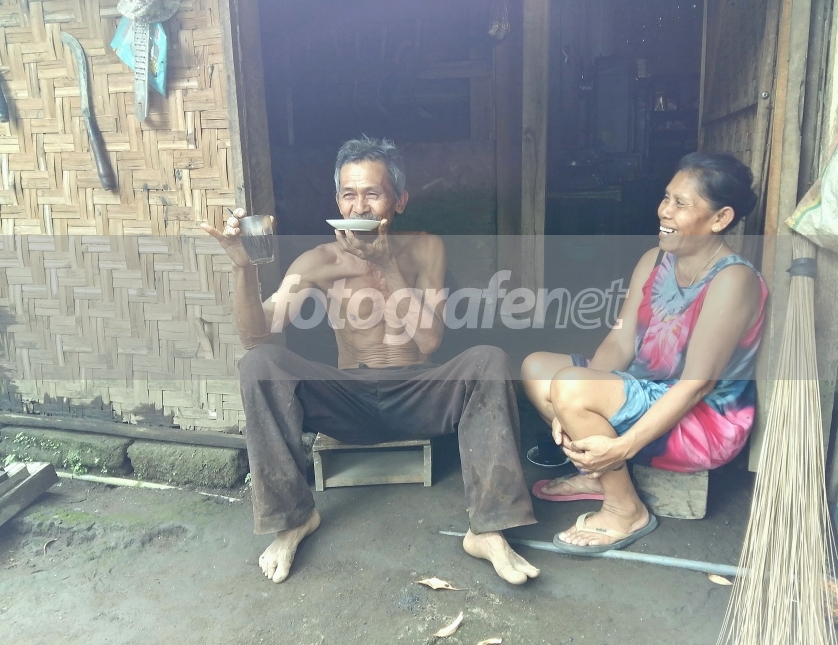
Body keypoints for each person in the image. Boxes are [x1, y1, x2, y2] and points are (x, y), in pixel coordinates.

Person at [201, 137, 539, 585]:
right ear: (336, 201)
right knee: (259, 365)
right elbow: (255, 336)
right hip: (348, 400)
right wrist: (242, 267)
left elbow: (430, 340)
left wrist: (387, 266)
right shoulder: (317, 262)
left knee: (489, 360)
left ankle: (488, 529)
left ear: (399, 201)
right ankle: (293, 520)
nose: (358, 206)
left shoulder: (425, 248)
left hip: (419, 394)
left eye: (372, 194)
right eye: (348, 194)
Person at [521, 152, 767, 554]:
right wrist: (569, 407)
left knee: (569, 386)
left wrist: (622, 445)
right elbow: (620, 342)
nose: (664, 211)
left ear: (720, 218)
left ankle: (625, 510)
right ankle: (599, 475)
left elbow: (698, 385)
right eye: (666, 197)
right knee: (537, 369)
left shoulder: (733, 280)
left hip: (699, 421)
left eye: (680, 203)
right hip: (644, 389)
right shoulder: (655, 260)